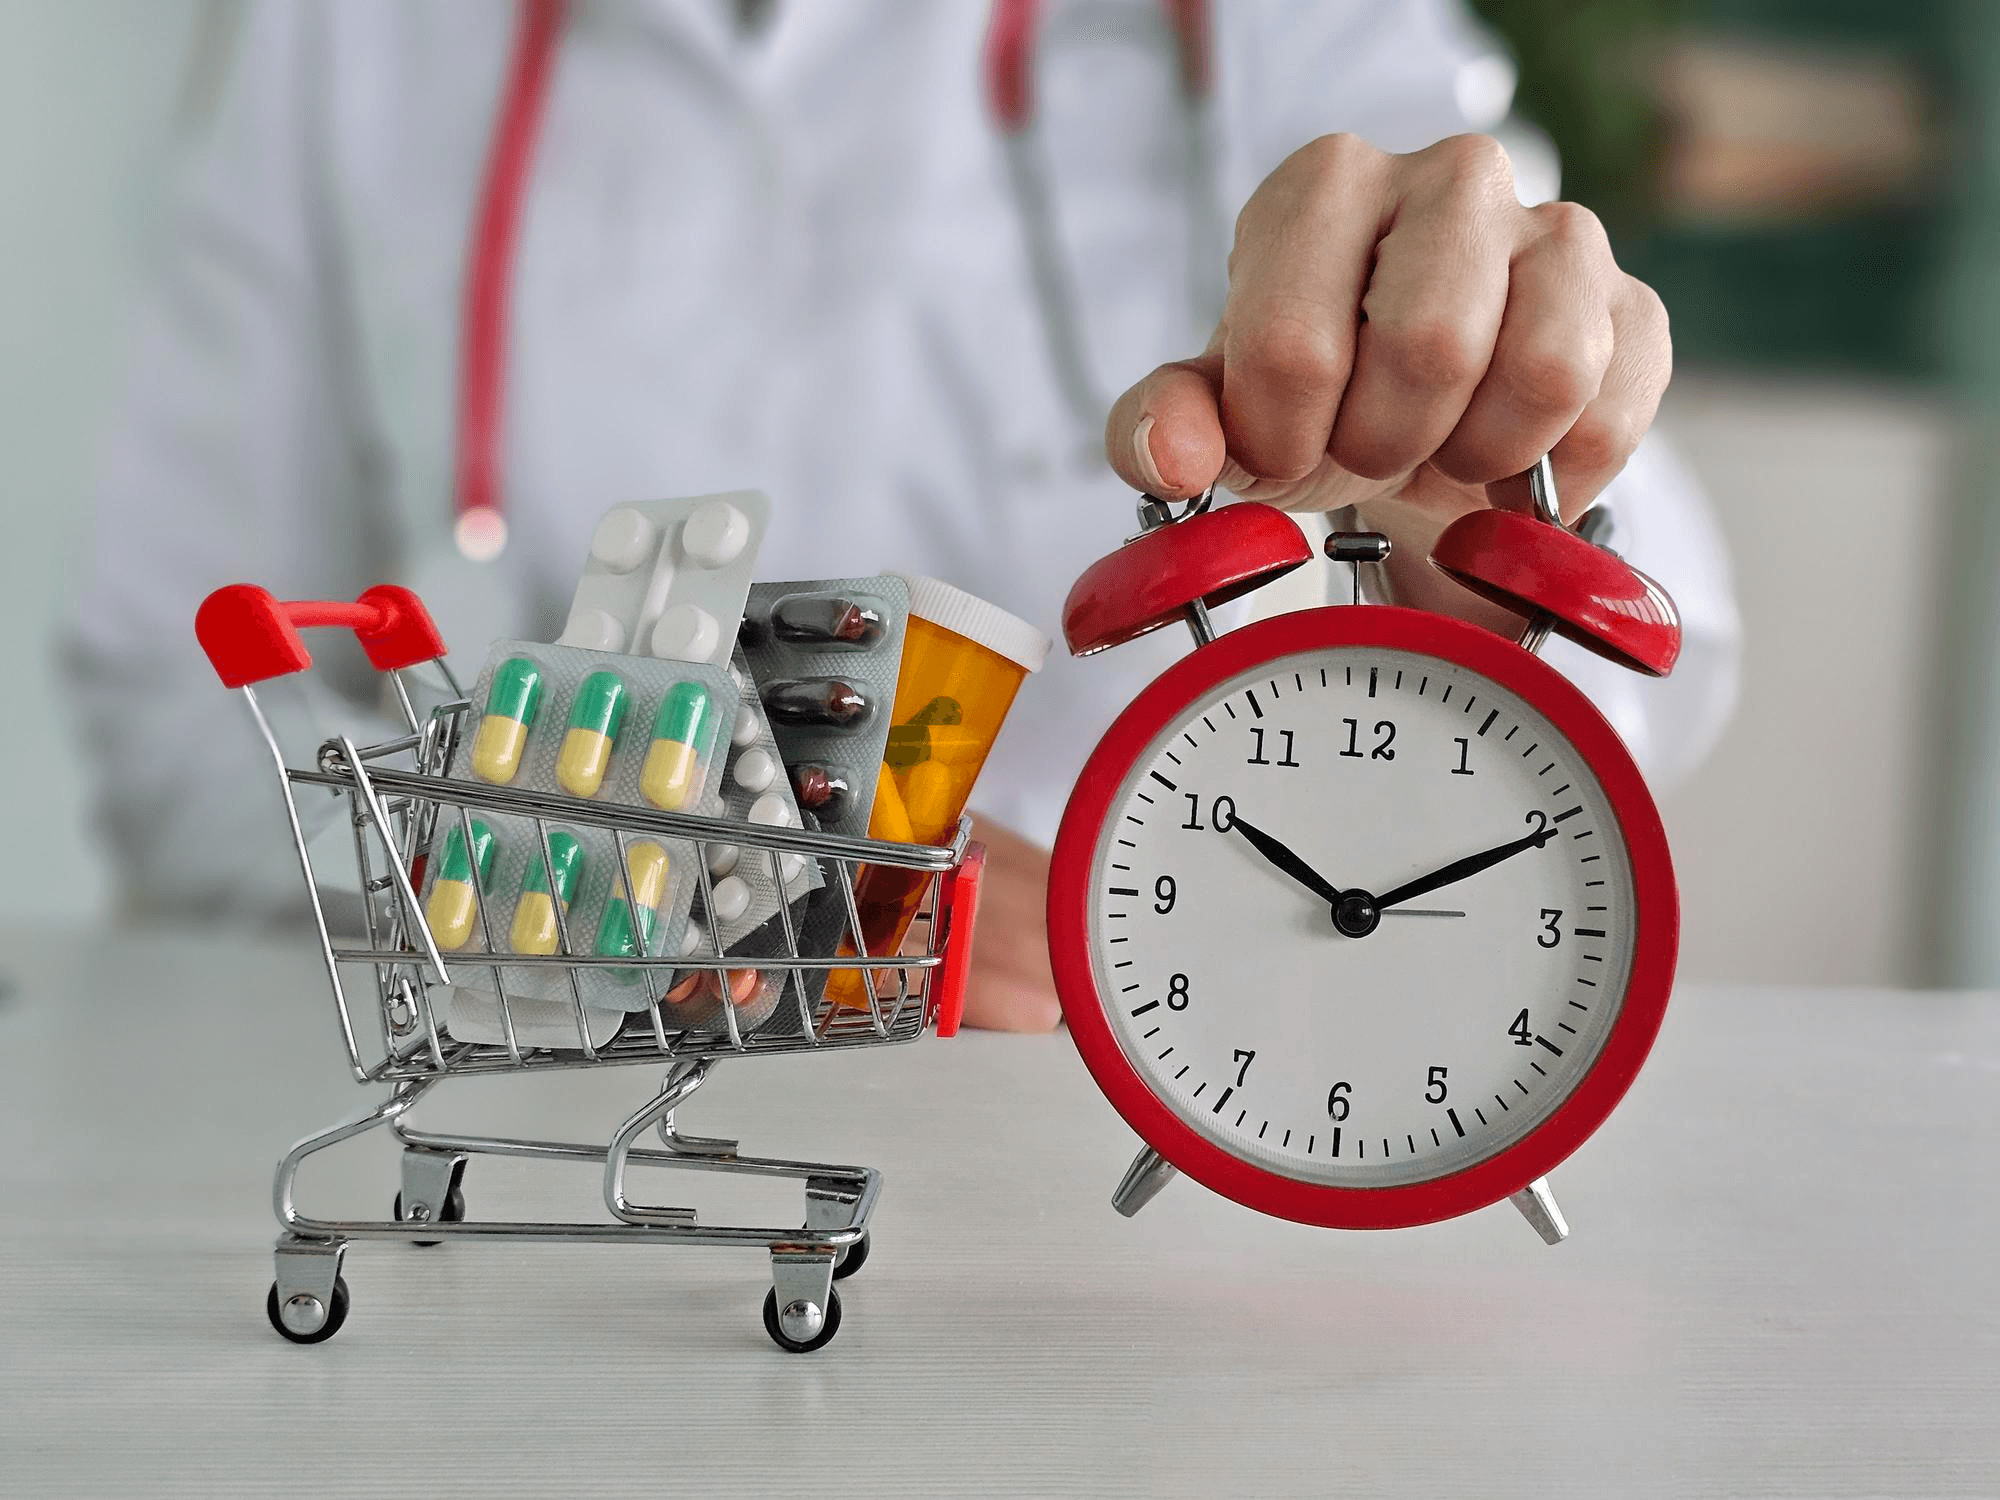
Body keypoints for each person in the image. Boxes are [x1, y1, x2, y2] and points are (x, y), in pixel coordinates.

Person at [66, 0, 1738, 1031]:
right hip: (568, 1072)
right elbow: (173, 702)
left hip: (1152, 1074)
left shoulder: (1282, 26)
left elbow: (1651, 638)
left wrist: (1466, 496)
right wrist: (572, 873)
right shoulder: (348, 34)